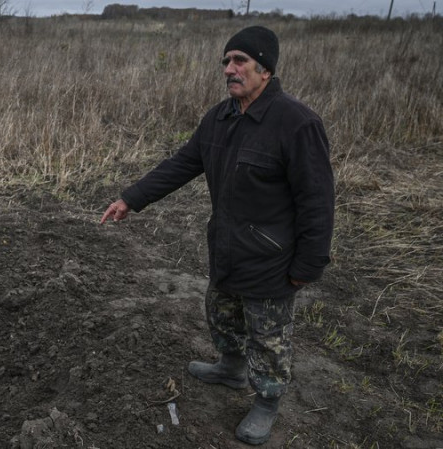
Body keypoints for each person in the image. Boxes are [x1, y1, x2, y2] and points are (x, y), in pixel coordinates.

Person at [100, 25, 334, 445]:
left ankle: (266, 401)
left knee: (268, 337)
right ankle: (230, 367)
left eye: (239, 61)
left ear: (265, 69)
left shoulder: (296, 124)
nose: (229, 69)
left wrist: (308, 266)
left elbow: (317, 201)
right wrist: (131, 199)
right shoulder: (219, 118)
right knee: (222, 314)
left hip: (273, 259)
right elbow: (182, 164)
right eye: (226, 61)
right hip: (227, 247)